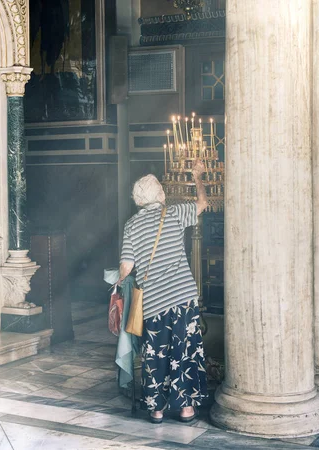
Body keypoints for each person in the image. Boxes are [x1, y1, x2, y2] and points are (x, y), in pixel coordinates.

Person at [118, 161, 208, 424]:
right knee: (185, 352)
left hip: (154, 302)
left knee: (155, 353)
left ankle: (156, 410)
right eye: (162, 190)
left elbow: (126, 267)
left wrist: (121, 278)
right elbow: (203, 204)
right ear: (159, 195)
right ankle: (186, 409)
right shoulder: (174, 213)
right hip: (182, 296)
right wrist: (197, 177)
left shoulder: (131, 226)